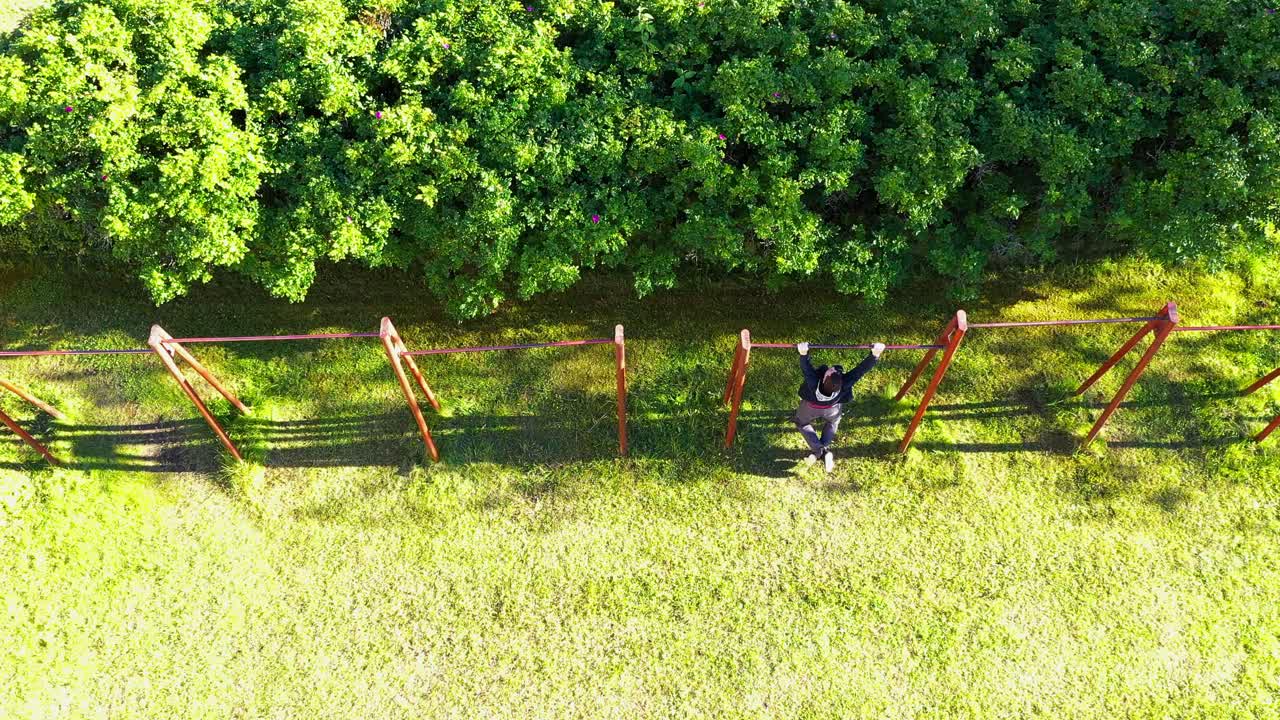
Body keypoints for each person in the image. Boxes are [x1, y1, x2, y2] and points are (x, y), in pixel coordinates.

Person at [793, 340, 885, 472]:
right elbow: (860, 371)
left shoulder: (814, 382)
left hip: (810, 407)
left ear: (824, 380)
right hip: (832, 409)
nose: (832, 369)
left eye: (830, 372)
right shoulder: (845, 384)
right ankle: (824, 453)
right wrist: (875, 355)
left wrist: (803, 353)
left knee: (801, 423)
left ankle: (819, 452)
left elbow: (806, 369)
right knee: (833, 423)